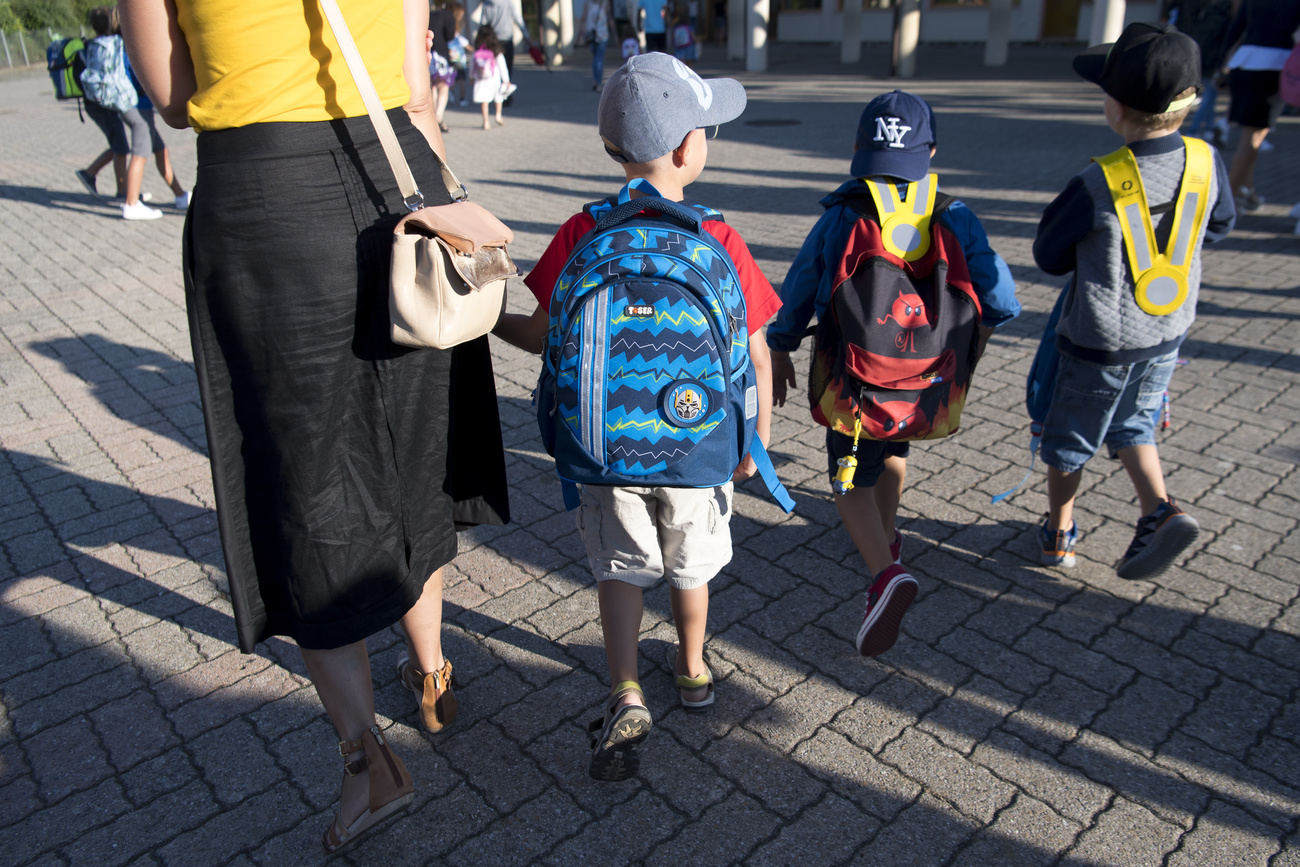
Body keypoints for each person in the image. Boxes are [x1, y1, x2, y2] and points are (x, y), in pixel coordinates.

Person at [120, 0, 509, 852]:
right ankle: (433, 673)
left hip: (267, 199)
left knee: (309, 475)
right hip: (397, 176)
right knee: (411, 448)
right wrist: (451, 203)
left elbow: (174, 95)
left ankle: (370, 764)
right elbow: (412, 88)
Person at [492, 54, 781, 781]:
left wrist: (484, 314)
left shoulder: (581, 231)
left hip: (600, 444)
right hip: (699, 445)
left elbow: (538, 332)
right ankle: (691, 669)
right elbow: (756, 347)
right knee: (692, 563)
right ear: (690, 148)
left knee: (619, 567)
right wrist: (757, 437)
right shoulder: (719, 238)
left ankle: (625, 686)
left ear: (610, 147)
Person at [766, 90, 1020, 657]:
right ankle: (888, 540)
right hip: (924, 381)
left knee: (847, 478)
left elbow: (800, 289)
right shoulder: (954, 212)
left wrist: (781, 347)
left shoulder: (844, 213)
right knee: (895, 448)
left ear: (859, 151)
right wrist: (969, 341)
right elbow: (1003, 299)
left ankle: (884, 574)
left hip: (856, 379)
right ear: (930, 153)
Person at [1032, 23, 1234, 579]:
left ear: (1115, 107)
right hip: (1167, 332)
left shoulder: (1098, 180)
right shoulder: (1205, 161)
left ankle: (1059, 531)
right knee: (1136, 421)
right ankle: (1158, 510)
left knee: (1067, 441)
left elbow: (1049, 253)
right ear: (1188, 104)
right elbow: (1220, 226)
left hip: (1098, 341)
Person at [80, 5, 161, 219]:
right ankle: (131, 203)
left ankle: (124, 192)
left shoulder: (94, 44)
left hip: (100, 102)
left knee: (121, 148)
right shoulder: (119, 44)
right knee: (140, 145)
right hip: (124, 101)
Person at [1219, 0, 1300, 211]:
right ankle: (1223, 203)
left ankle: (1249, 192)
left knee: (1251, 135)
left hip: (1243, 61)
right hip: (1274, 64)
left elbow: (1236, 27)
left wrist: (1223, 61)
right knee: (1253, 138)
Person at [124, 52, 191, 208]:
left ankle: (180, 196)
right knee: (140, 155)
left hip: (137, 106)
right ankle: (131, 204)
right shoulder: (127, 48)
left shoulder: (119, 45)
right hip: (138, 106)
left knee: (161, 150)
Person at [1165, 0, 1233, 145]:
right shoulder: (1220, 15)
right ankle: (1193, 130)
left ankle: (1208, 128)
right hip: (1211, 60)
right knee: (1209, 96)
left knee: (1209, 95)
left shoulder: (1202, 11)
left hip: (1199, 56)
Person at [470, 0, 527, 106]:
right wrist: (526, 36)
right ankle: (505, 94)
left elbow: (484, 24)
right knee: (506, 68)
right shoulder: (508, 3)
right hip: (507, 39)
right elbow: (518, 19)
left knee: (495, 69)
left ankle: (496, 94)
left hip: (493, 42)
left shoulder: (487, 4)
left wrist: (479, 42)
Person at [470, 25, 512, 129]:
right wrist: (506, 80)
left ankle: (486, 122)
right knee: (498, 97)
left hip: (481, 79)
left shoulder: (477, 52)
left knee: (484, 100)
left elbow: (472, 66)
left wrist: (471, 77)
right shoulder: (496, 51)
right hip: (494, 79)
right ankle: (498, 115)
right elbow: (503, 67)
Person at [428, 2, 460, 131]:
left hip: (429, 54)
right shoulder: (447, 15)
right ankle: (439, 116)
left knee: (433, 87)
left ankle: (434, 116)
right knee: (444, 87)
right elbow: (450, 36)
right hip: (442, 56)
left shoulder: (429, 14)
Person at [582, 0, 612, 91]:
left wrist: (580, 33)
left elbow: (583, 18)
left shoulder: (588, 3)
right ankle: (598, 82)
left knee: (595, 58)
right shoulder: (605, 3)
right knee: (599, 58)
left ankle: (596, 80)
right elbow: (609, 18)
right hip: (602, 35)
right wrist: (616, 34)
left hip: (591, 34)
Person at [670, 0, 698, 67]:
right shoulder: (689, 27)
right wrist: (697, 41)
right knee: (689, 61)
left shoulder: (677, 27)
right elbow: (693, 37)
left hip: (679, 46)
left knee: (680, 62)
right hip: (689, 46)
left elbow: (673, 37)